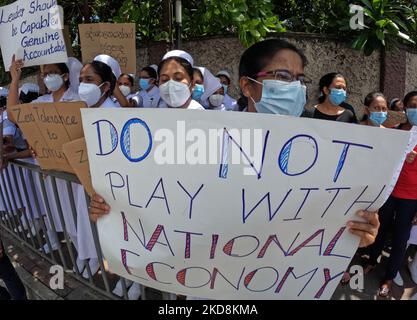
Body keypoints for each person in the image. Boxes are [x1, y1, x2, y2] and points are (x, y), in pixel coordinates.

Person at [363, 91, 417, 298]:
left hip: (411, 198)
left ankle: (389, 277)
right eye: (413, 105)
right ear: (404, 108)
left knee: (400, 238)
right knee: (381, 228)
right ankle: (370, 260)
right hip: (389, 193)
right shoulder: (395, 131)